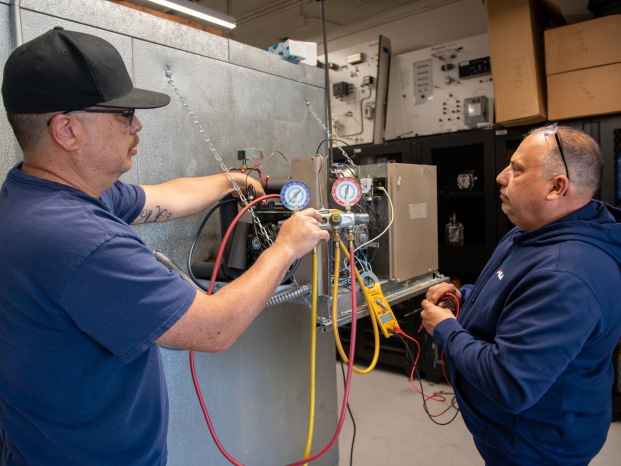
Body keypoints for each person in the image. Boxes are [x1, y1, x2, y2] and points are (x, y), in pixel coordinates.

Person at [0, 28, 329, 466]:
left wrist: (233, 181)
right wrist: (287, 247)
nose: (137, 124)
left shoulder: (37, 195)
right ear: (67, 130)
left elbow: (166, 198)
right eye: (123, 113)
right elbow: (214, 328)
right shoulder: (81, 241)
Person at [421, 124, 621, 466]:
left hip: (537, 446)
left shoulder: (566, 276)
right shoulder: (531, 231)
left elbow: (509, 383)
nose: (500, 177)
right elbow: (513, 292)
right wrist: (464, 297)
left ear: (557, 187)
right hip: (512, 435)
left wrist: (446, 329)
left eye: (517, 169)